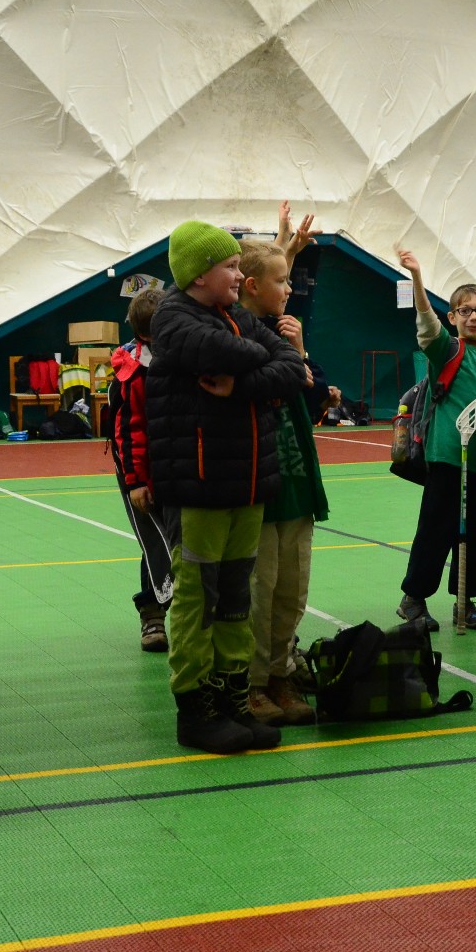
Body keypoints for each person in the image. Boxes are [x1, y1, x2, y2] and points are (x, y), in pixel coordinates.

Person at [145, 221, 308, 754]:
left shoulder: (237, 317)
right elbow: (226, 351)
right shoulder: (174, 319)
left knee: (237, 600)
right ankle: (196, 712)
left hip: (246, 485)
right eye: (231, 267)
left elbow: (293, 370)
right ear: (199, 275)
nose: (239, 276)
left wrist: (240, 385)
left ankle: (233, 701)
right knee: (198, 602)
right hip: (199, 487)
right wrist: (261, 358)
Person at [237, 238, 328, 724]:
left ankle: (280, 673)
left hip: (297, 483)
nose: (289, 289)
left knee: (292, 590)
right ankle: (251, 683)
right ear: (252, 286)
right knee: (259, 592)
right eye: (282, 280)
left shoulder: (286, 332)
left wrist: (300, 352)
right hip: (260, 487)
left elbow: (316, 398)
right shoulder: (235, 334)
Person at [394, 249, 476, 632]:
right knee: (435, 530)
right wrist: (417, 277)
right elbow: (426, 323)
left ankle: (464, 601)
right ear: (452, 317)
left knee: (472, 534)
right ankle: (413, 598)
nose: (473, 317)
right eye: (465, 310)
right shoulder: (447, 349)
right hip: (448, 458)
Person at [109, 286, 171, 652]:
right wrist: (135, 481)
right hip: (140, 473)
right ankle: (152, 614)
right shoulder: (132, 372)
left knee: (179, 541)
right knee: (155, 543)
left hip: (178, 467)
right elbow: (129, 433)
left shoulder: (183, 356)